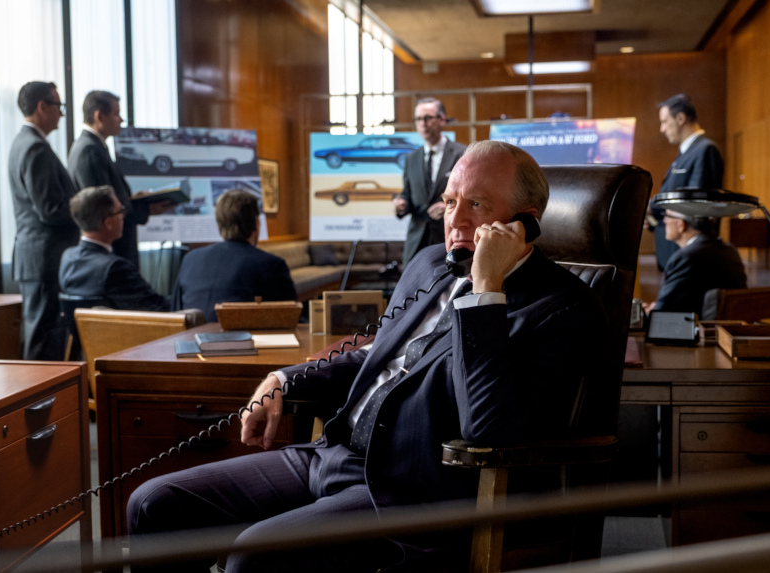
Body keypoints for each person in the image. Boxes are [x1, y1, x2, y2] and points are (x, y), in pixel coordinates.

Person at [127, 141, 606, 573]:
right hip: (333, 454)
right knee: (153, 504)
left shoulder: (562, 306)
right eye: (450, 201)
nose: (455, 220)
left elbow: (490, 427)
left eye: (477, 205)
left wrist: (486, 291)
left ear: (524, 221)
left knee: (254, 555)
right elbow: (378, 358)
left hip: (411, 493)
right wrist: (286, 379)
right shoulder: (428, 266)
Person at [9, 81, 80, 360]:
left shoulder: (22, 143)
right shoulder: (35, 148)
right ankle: (40, 402)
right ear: (42, 107)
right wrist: (87, 214)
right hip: (44, 258)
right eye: (58, 106)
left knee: (39, 334)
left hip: (37, 258)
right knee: (42, 339)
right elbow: (50, 210)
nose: (62, 113)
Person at [67, 90, 172, 268]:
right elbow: (101, 207)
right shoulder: (89, 150)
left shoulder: (94, 146)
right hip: (113, 252)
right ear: (99, 116)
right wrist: (145, 209)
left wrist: (132, 199)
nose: (121, 120)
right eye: (116, 114)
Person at [171, 190, 296, 322]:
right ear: (256, 223)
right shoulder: (271, 264)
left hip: (189, 340)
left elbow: (176, 314)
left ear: (219, 223)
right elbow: (291, 318)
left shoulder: (191, 259)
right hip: (243, 341)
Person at [59, 185, 170, 311]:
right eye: (121, 210)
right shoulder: (115, 268)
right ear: (108, 223)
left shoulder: (67, 258)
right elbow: (157, 307)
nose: (124, 215)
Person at [648, 93, 724, 271]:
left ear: (680, 118)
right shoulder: (685, 153)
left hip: (690, 256)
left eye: (665, 121)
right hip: (673, 253)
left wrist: (652, 207)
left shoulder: (705, 150)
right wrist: (652, 216)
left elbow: (693, 204)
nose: (662, 129)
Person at [393, 97, 466, 266]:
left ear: (442, 120)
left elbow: (471, 195)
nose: (423, 123)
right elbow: (408, 194)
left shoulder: (462, 154)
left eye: (427, 118)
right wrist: (401, 203)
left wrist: (448, 205)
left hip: (449, 237)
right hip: (417, 240)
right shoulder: (411, 158)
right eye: (418, 119)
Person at [646, 209, 746, 316]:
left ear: (681, 224)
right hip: (727, 326)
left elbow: (659, 314)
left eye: (668, 216)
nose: (665, 220)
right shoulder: (729, 249)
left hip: (698, 328)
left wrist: (648, 311)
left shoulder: (686, 257)